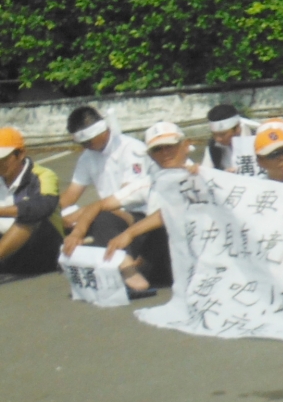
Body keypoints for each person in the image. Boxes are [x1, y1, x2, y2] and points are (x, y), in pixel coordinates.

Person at [92, 121, 192, 295]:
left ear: (185, 145)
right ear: (150, 155)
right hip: (160, 255)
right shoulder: (151, 180)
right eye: (157, 149)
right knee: (103, 217)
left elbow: (171, 211)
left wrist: (129, 233)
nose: (164, 153)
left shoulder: (199, 175)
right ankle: (129, 269)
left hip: (188, 254)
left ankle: (136, 268)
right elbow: (101, 204)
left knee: (165, 226)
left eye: (170, 147)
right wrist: (77, 232)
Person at [58, 107, 152, 252]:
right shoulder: (87, 156)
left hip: (137, 212)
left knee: (102, 217)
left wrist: (85, 214)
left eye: (89, 141)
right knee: (61, 217)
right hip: (104, 208)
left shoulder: (131, 149)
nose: (86, 146)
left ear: (102, 130)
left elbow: (128, 197)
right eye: (82, 143)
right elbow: (71, 194)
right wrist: (50, 213)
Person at [0, 128, 64, 278]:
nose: (0, 164)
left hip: (43, 250)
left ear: (21, 154)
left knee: (30, 216)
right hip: (10, 252)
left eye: (4, 159)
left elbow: (43, 207)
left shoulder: (44, 175)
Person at [199, 103, 258, 172]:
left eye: (223, 134)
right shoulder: (214, 146)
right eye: (214, 134)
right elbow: (207, 171)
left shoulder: (256, 139)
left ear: (237, 128)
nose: (218, 139)